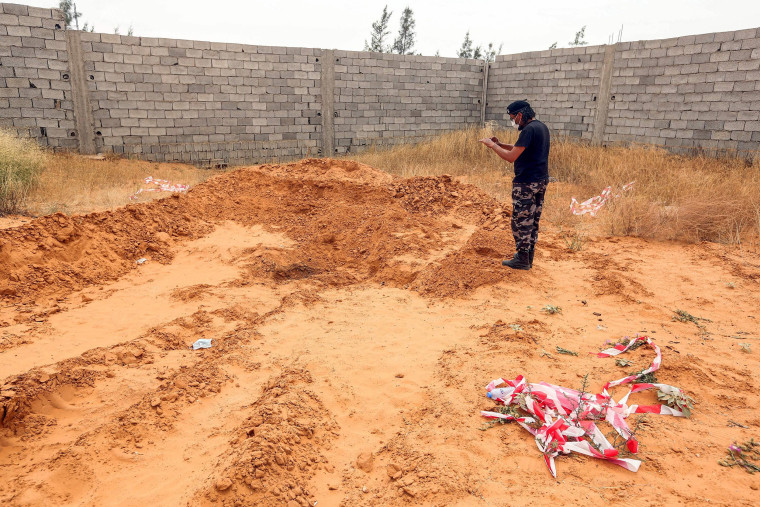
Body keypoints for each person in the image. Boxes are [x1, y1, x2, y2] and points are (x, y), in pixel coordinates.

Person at [479, 100, 550, 270]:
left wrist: (492, 146)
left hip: (526, 183)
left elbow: (511, 157)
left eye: (513, 118)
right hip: (540, 181)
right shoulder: (541, 127)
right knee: (533, 220)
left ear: (520, 115)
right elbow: (519, 148)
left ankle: (522, 259)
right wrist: (500, 143)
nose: (513, 122)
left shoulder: (528, 130)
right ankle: (529, 257)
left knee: (521, 221)